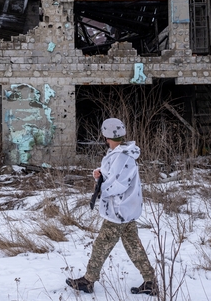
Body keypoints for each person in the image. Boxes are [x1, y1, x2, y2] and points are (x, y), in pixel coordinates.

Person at [66, 118, 158, 296]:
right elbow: (113, 176)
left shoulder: (123, 156)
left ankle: (88, 280)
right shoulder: (117, 153)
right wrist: (99, 175)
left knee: (102, 244)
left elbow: (119, 184)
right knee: (133, 245)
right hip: (124, 210)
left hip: (119, 210)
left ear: (106, 135)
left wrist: (102, 189)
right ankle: (150, 281)